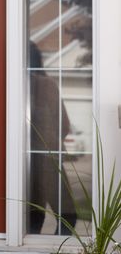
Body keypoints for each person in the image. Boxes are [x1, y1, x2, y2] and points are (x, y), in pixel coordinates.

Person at [28, 41, 77, 235]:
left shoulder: (39, 85)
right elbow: (63, 125)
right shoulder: (45, 84)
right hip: (47, 156)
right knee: (65, 215)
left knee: (33, 216)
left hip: (43, 157)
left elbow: (63, 125)